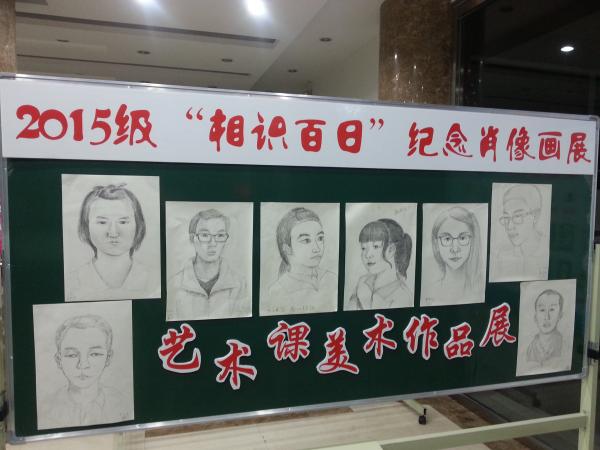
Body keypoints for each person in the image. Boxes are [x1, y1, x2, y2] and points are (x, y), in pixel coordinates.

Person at [39, 315, 131, 428]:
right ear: (59, 360)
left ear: (108, 358)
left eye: (94, 354)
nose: (83, 365)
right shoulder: (46, 409)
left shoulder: (122, 404)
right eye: (72, 355)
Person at [66, 184, 152, 301]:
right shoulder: (72, 283)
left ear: (138, 226)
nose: (113, 233)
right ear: (86, 226)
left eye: (123, 222)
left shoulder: (153, 279)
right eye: (102, 222)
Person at [167, 209, 248, 320]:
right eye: (205, 235)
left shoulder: (240, 284)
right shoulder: (174, 284)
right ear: (192, 238)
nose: (213, 243)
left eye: (220, 235)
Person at [263, 207, 337, 315]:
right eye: (306, 240)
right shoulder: (279, 290)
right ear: (287, 248)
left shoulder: (332, 278)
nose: (317, 248)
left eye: (320, 238)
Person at [347, 218, 413, 310]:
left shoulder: (402, 295)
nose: (367, 255)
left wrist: (366, 303)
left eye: (376, 246)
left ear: (391, 250)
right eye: (363, 248)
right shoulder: (363, 281)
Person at [427, 206, 484, 305]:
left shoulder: (480, 291)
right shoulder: (430, 291)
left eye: (462, 238)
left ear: (473, 241)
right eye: (447, 239)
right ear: (436, 244)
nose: (455, 249)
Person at [493, 184, 548, 280]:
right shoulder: (503, 256)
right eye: (506, 217)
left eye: (517, 216)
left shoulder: (547, 251)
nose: (509, 226)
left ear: (535, 216)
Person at [526, 289, 564, 367]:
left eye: (552, 309)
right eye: (542, 310)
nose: (547, 317)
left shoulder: (564, 345)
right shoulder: (530, 348)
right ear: (535, 317)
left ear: (560, 315)